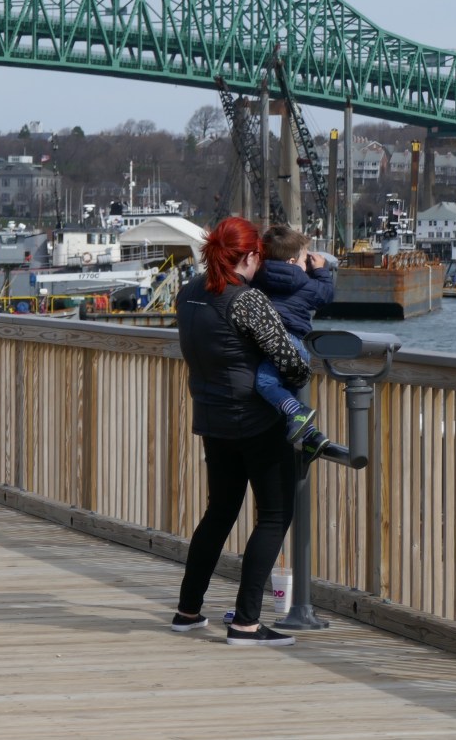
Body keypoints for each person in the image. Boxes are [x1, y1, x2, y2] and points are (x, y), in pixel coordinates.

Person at [170, 216, 312, 647]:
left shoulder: (189, 293)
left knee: (220, 512)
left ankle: (188, 611)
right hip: (253, 421)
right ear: (250, 256)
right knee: (273, 514)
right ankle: (247, 623)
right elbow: (292, 361)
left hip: (213, 418)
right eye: (260, 258)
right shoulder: (246, 300)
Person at [251, 225, 335, 458]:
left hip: (270, 342)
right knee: (268, 384)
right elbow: (326, 295)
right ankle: (311, 437)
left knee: (275, 388)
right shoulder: (306, 284)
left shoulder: (257, 279)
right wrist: (320, 271)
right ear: (291, 261)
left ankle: (305, 429)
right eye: (303, 258)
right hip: (296, 343)